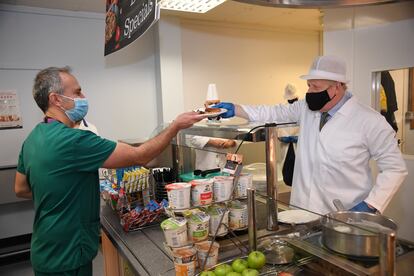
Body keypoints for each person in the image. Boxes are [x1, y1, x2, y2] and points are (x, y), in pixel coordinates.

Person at [14, 66, 206, 276]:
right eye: (77, 92)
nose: (83, 97)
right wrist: (175, 126)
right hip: (68, 254)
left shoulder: (33, 139)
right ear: (56, 99)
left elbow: (21, 188)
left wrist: (59, 191)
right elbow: (141, 156)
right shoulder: (73, 140)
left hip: (44, 247)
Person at [214, 55, 407, 214]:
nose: (309, 92)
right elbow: (272, 113)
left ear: (337, 87)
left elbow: (395, 168)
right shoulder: (305, 108)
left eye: (316, 87)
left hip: (345, 216)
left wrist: (371, 204)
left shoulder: (370, 121)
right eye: (309, 86)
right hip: (302, 209)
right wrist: (237, 109)